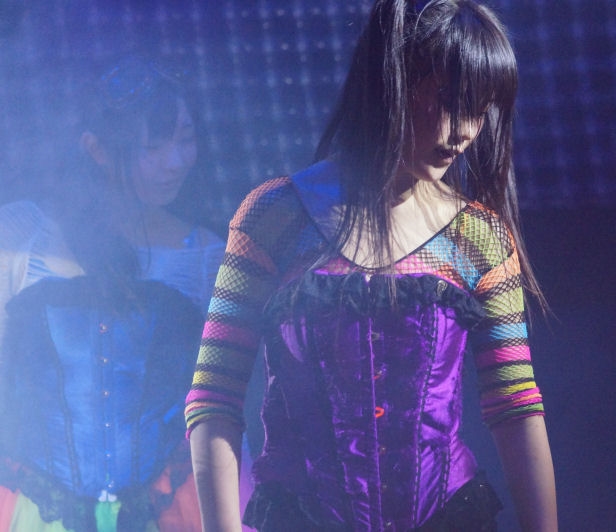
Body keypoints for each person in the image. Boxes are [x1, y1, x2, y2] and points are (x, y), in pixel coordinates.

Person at [186, 0, 558, 530]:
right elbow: (214, 397)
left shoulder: (480, 238)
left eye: (481, 110)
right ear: (394, 79)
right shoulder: (275, 217)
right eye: (450, 101)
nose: (466, 131)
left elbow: (515, 406)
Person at [0, 57, 226, 531]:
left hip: (165, 508)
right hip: (36, 506)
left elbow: (221, 404)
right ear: (97, 150)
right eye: (153, 146)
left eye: (186, 139)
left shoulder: (206, 256)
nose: (176, 161)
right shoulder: (21, 235)